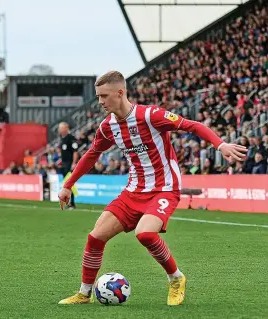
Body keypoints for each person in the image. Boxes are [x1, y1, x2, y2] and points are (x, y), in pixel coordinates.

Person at [57, 71, 247, 306]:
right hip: (133, 190)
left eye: (104, 96)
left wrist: (220, 145)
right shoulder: (108, 127)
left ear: (120, 92)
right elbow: (91, 154)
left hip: (164, 188)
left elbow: (192, 125)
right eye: (98, 96)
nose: (100, 102)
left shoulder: (151, 115)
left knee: (145, 233)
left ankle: (176, 278)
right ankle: (85, 294)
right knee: (95, 237)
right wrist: (68, 185)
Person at [57, 122, 79, 209]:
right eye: (60, 128)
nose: (60, 130)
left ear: (66, 128)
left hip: (69, 164)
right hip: (64, 164)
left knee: (69, 183)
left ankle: (72, 203)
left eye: (61, 128)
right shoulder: (62, 138)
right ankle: (69, 202)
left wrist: (74, 163)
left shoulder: (71, 138)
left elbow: (75, 152)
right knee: (66, 183)